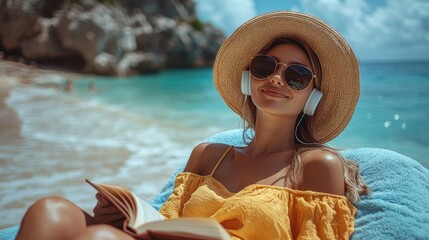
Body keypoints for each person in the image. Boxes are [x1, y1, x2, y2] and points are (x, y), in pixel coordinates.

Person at [16, 11, 369, 240]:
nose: (277, 78)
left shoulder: (317, 166)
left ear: (312, 98)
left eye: (296, 75)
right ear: (249, 78)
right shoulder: (207, 155)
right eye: (266, 66)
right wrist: (121, 216)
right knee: (51, 209)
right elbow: (162, 225)